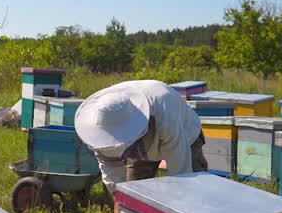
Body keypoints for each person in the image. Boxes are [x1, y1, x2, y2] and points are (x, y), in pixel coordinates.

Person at [74, 79, 207, 193]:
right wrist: (119, 201)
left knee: (194, 188)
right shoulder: (106, 110)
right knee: (135, 194)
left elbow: (181, 173)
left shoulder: (164, 114)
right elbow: (110, 167)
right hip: (144, 147)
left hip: (186, 136)